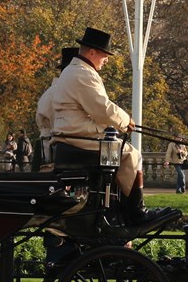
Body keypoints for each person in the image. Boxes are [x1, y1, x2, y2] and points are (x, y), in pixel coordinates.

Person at [46, 27, 170, 228]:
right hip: (78, 138)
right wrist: (125, 120)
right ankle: (137, 213)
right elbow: (102, 108)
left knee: (123, 150)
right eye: (105, 54)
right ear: (92, 52)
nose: (106, 59)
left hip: (71, 135)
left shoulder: (73, 71)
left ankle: (122, 209)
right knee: (131, 154)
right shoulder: (82, 73)